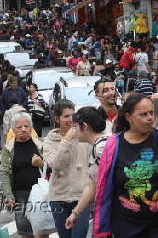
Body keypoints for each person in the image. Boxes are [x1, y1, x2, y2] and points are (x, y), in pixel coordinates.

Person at [93, 93, 158, 238]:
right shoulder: (112, 145)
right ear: (128, 117)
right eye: (143, 114)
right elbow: (103, 187)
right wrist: (101, 227)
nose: (150, 118)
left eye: (151, 113)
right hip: (125, 226)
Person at [42, 100, 92, 238]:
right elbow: (56, 165)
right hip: (58, 197)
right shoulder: (49, 141)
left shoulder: (83, 136)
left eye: (72, 115)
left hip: (81, 196)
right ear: (56, 118)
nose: (70, 120)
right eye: (66, 116)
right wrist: (66, 141)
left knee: (79, 235)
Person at [0, 112, 54, 238]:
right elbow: (4, 173)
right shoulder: (8, 149)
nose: (23, 129)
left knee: (42, 231)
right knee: (26, 233)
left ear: (31, 127)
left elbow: (54, 167)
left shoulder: (40, 145)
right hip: (20, 196)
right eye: (19, 127)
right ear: (13, 129)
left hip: (41, 195)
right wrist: (8, 196)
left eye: (27, 126)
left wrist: (42, 163)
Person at [64, 107, 108, 230]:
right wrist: (75, 213)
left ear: (84, 126)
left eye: (75, 126)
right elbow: (92, 185)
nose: (73, 131)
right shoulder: (100, 144)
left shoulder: (101, 148)